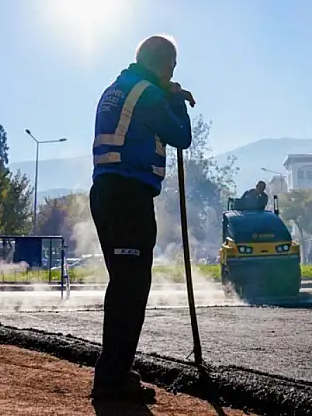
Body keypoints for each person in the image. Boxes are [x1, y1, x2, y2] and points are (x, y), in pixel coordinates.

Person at [89, 34, 195, 403]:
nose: (172, 73)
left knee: (124, 284)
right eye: (172, 66)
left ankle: (115, 371)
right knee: (131, 288)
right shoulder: (146, 93)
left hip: (107, 193)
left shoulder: (118, 88)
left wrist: (165, 94)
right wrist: (177, 101)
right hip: (127, 196)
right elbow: (180, 136)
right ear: (162, 63)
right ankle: (111, 379)